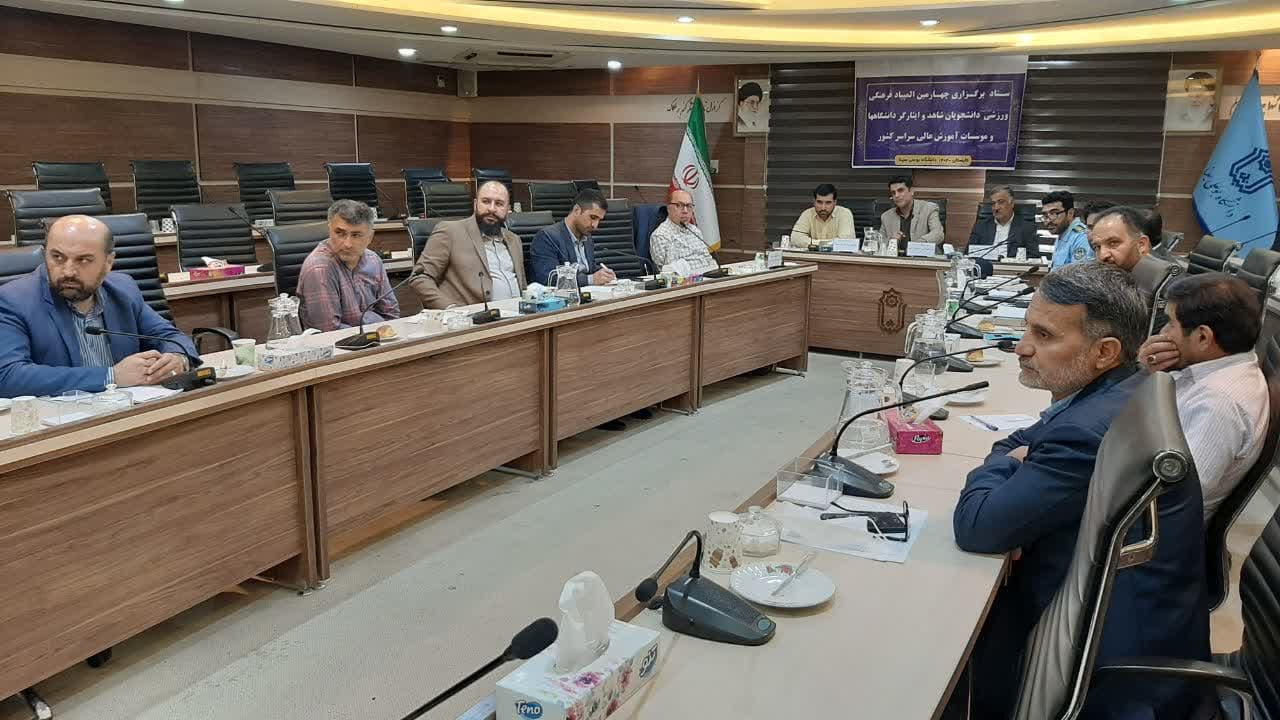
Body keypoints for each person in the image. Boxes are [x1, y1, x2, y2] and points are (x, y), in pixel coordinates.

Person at [952, 261, 1210, 720]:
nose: (1022, 347)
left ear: (1105, 352)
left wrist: (1000, 467)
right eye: (1027, 328)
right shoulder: (1117, 391)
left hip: (1114, 675)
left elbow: (978, 526)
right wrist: (1012, 461)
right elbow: (1022, 441)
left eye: (1044, 335)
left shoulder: (1087, 433)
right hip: (1121, 614)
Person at [0, 215, 199, 397]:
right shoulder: (14, 300)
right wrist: (111, 376)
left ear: (108, 262)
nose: (68, 271)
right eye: (58, 257)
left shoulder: (123, 289)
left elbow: (170, 336)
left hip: (129, 409)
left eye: (83, 260)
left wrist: (178, 358)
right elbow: (8, 375)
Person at [1138, 274, 1268, 521]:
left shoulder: (1218, 405)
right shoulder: (1220, 364)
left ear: (1203, 337)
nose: (1163, 332)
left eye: (1171, 324)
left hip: (1149, 527)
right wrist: (1147, 372)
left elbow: (1171, 498)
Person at [410, 180, 526, 309]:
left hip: (519, 315)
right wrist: (450, 309)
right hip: (472, 317)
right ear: (475, 204)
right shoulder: (450, 232)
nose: (492, 209)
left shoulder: (514, 240)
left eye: (499, 204)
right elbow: (420, 278)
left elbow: (522, 286)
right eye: (486, 201)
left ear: (508, 209)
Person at [296, 199, 400, 331]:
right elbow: (329, 331)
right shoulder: (319, 269)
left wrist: (387, 335)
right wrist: (374, 335)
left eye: (356, 235)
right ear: (330, 231)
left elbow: (391, 314)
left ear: (370, 237)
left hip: (377, 337)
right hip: (342, 342)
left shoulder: (373, 260)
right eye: (340, 233)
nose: (347, 244)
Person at [531, 188, 615, 288]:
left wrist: (604, 275)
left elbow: (589, 270)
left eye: (599, 220)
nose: (595, 225)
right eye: (593, 217)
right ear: (576, 210)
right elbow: (549, 279)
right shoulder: (547, 237)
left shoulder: (587, 238)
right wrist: (591, 279)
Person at [649, 188, 717, 275]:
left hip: (707, 277)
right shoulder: (660, 236)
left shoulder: (695, 231)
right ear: (668, 208)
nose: (685, 211)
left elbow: (708, 260)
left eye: (689, 206)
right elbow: (670, 272)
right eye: (679, 205)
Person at [966, 185, 1040, 260]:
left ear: (1012, 203)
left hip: (1011, 266)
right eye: (993, 203)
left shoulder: (1027, 227)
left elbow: (1033, 256)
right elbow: (969, 252)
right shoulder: (981, 226)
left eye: (1001, 202)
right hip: (985, 265)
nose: (996, 208)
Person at [878, 176, 944, 254]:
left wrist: (916, 245)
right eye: (893, 193)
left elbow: (938, 234)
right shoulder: (886, 216)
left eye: (900, 190)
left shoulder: (929, 209)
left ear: (911, 191)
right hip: (896, 259)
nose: (896, 195)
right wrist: (892, 240)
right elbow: (879, 243)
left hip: (923, 259)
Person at [789, 184, 855, 250]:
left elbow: (845, 243)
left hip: (836, 256)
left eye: (828, 203)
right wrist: (822, 244)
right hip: (813, 255)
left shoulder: (845, 214)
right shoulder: (807, 214)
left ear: (835, 202)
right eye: (819, 202)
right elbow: (795, 238)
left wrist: (813, 244)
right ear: (814, 201)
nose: (823, 208)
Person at [1089, 206, 1151, 273]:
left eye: (1112, 243)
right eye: (1097, 247)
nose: (1102, 256)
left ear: (1141, 245)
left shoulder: (1157, 277)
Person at [1043, 190, 1092, 269]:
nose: (1048, 221)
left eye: (1054, 214)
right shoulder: (1062, 232)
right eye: (1045, 215)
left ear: (1070, 213)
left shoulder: (1081, 237)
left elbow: (1078, 275)